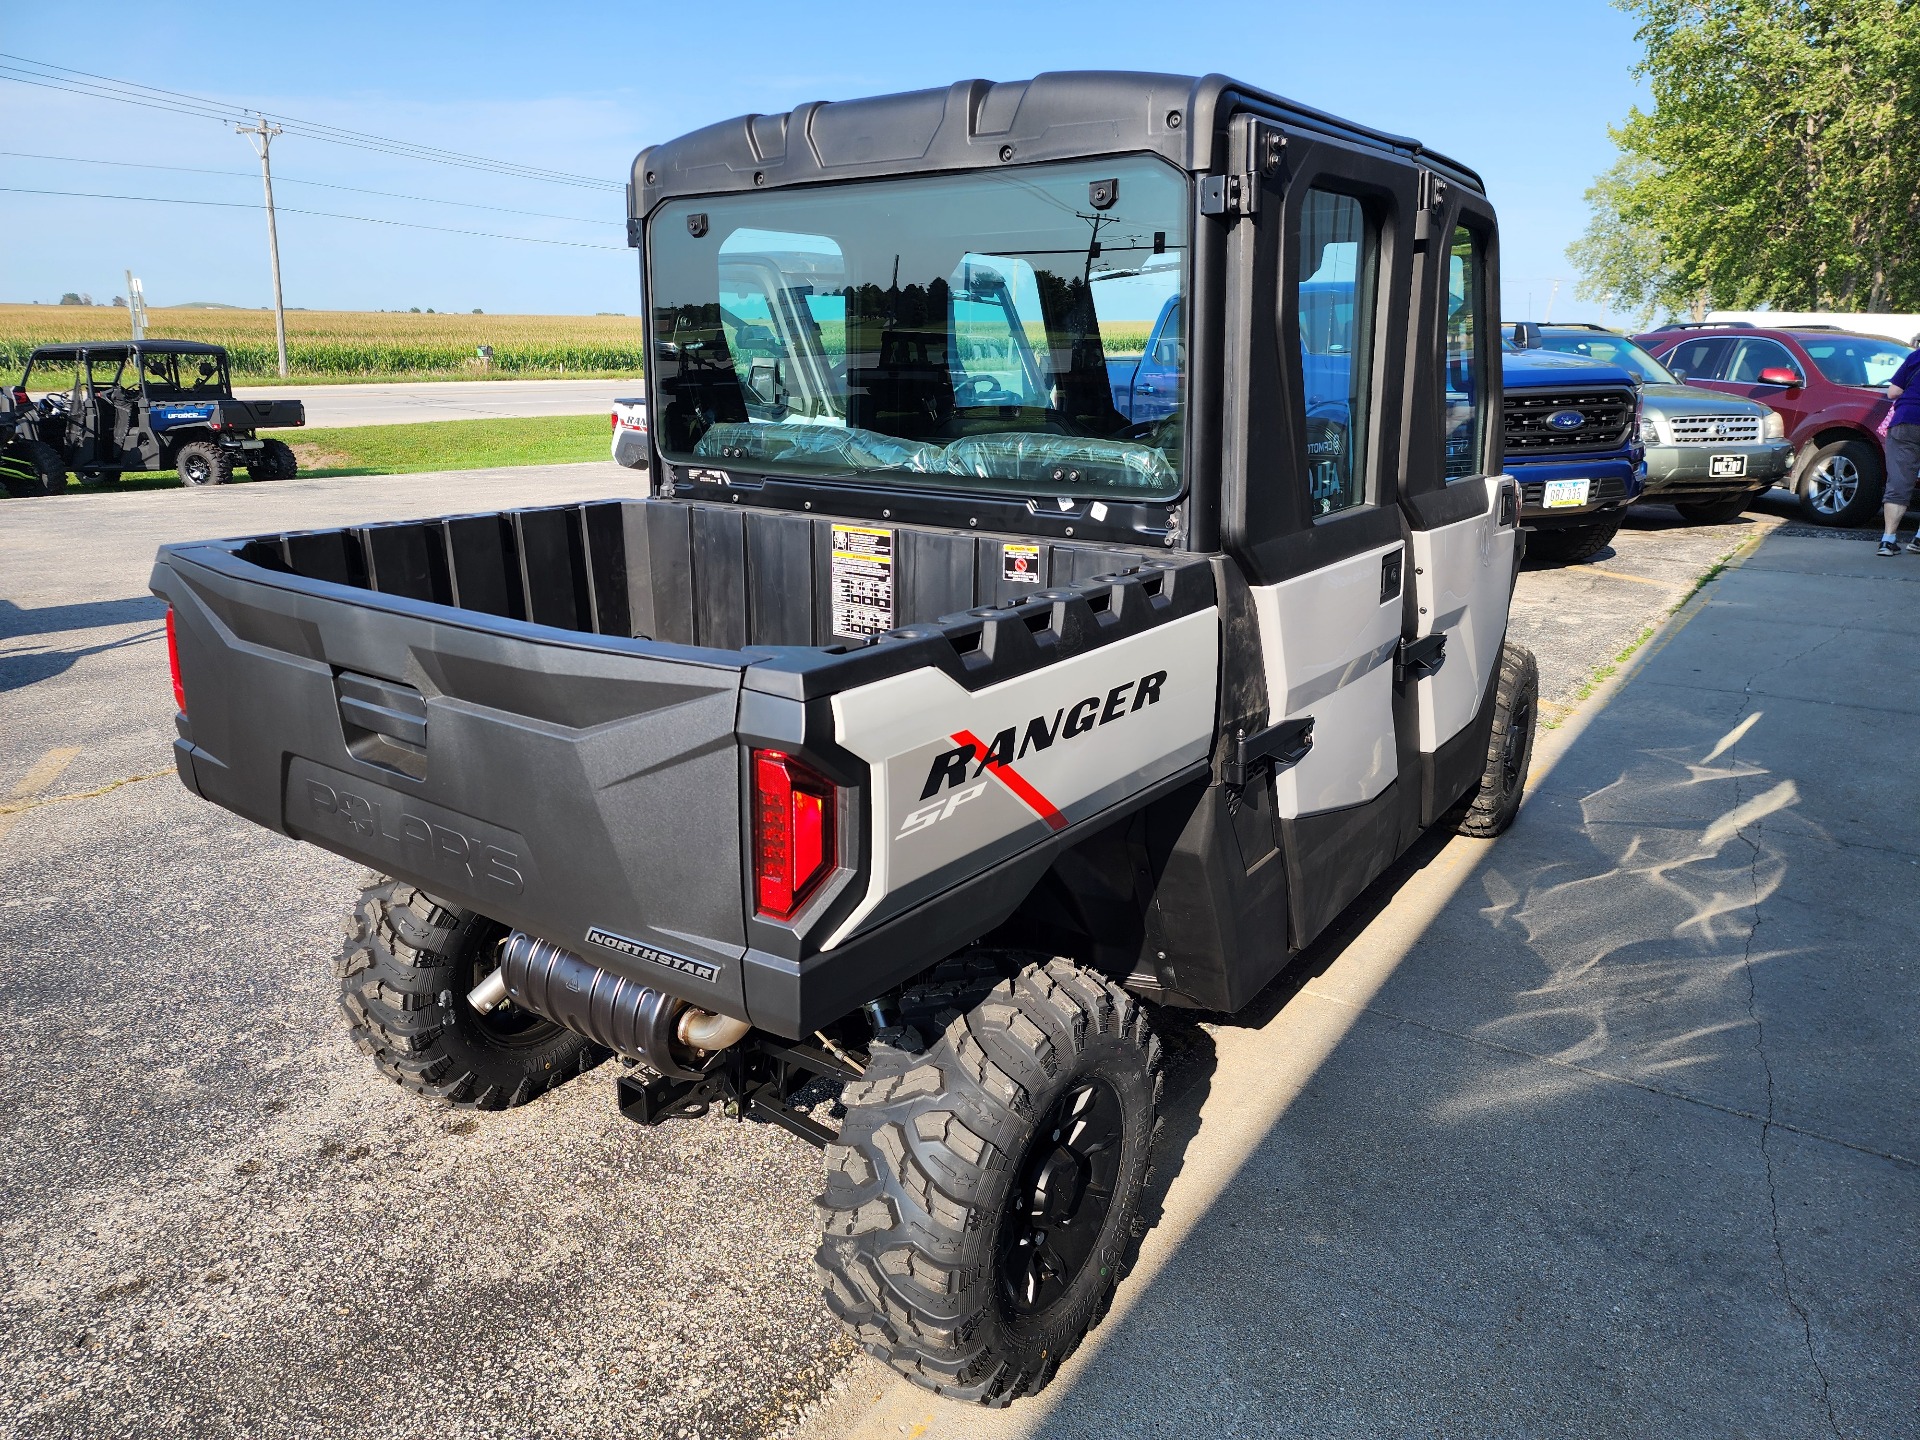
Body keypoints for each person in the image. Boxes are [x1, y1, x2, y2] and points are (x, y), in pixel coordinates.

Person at [1880, 344, 1920, 556]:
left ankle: (1887, 540)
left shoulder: (1915, 357)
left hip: (1906, 422)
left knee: (1899, 482)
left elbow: (1893, 392)